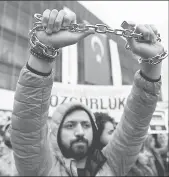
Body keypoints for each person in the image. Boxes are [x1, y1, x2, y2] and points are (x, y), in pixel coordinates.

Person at [10, 9, 165, 176]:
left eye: (86, 125)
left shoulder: (112, 165)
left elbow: (135, 126)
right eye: (70, 125)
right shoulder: (41, 169)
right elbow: (27, 129)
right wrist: (42, 52)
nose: (80, 132)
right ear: (55, 132)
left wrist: (152, 66)